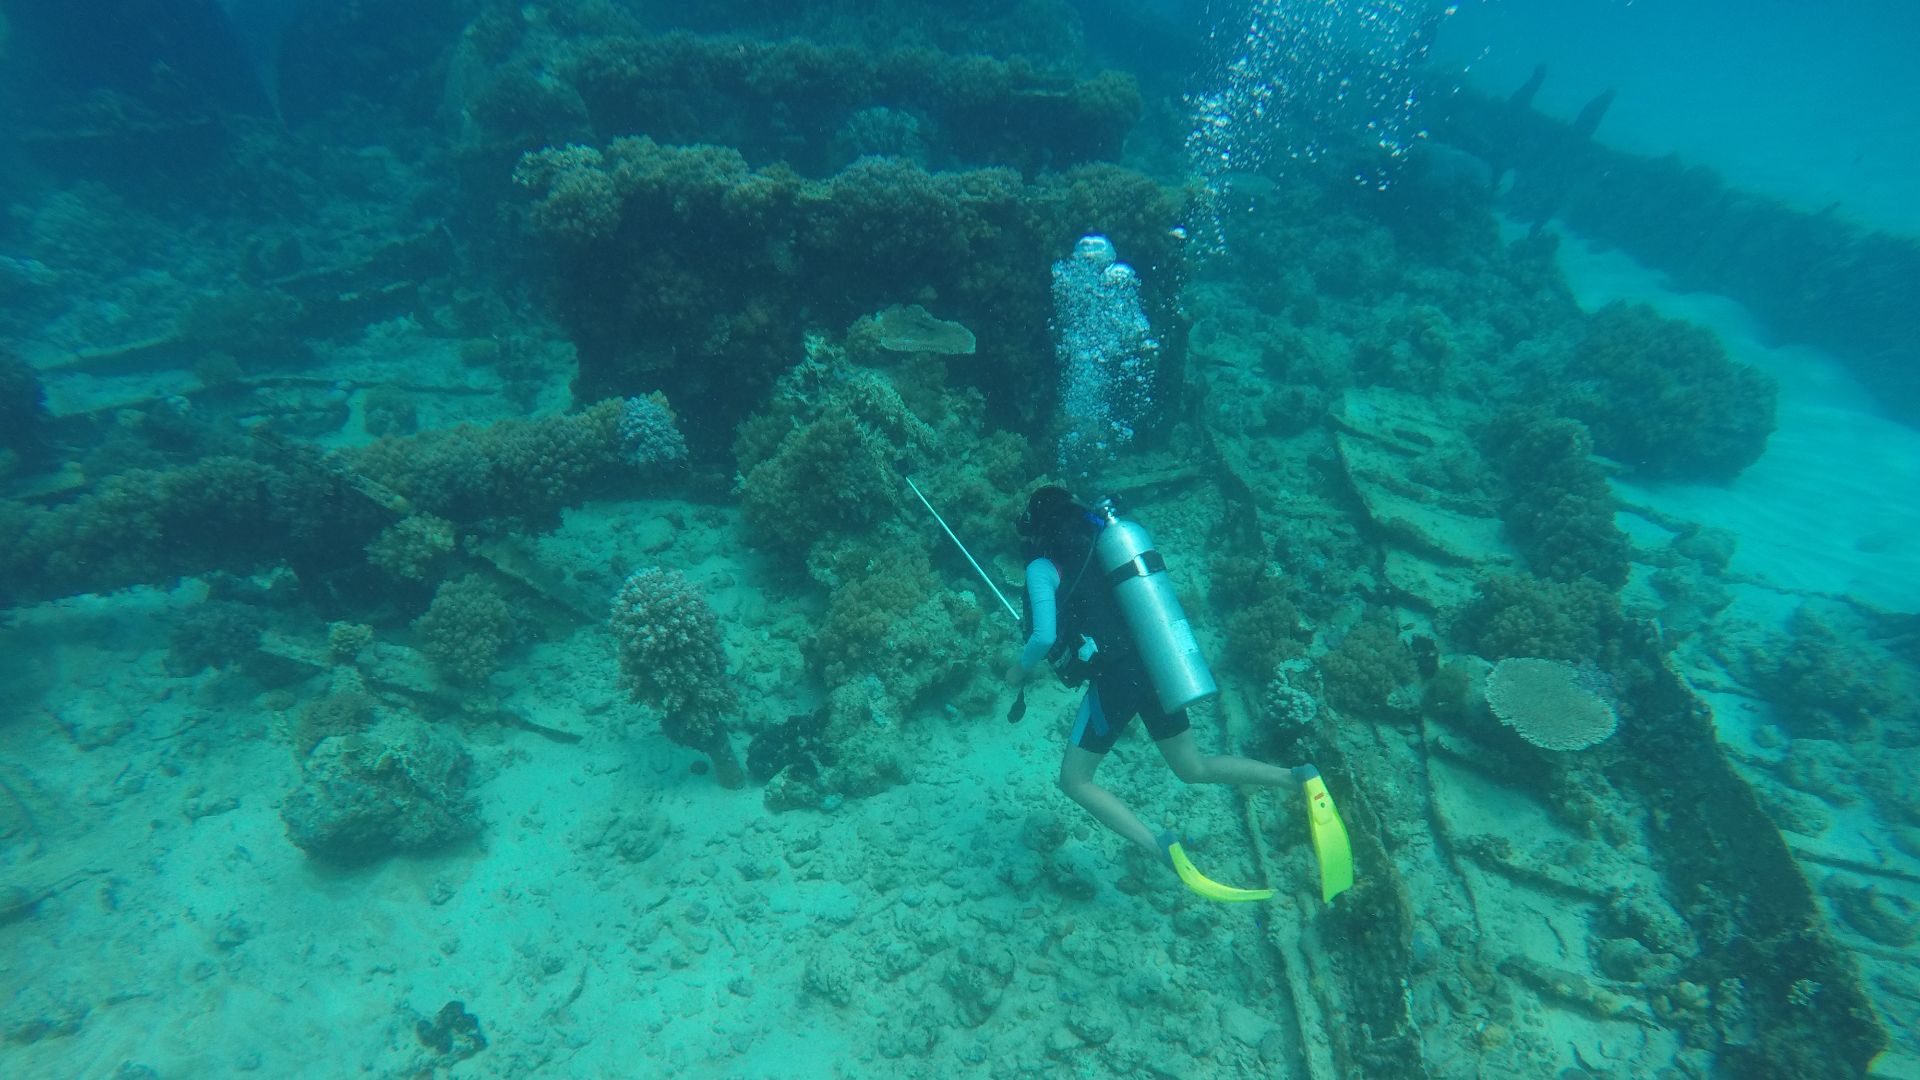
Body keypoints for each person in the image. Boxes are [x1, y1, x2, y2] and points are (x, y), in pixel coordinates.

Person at [1007, 486, 1301, 869]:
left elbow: (1043, 636)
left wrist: (1018, 670)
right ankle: (1296, 778)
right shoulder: (1104, 546)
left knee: (1075, 781)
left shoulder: (1042, 567)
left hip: (1117, 678)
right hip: (1158, 663)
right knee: (1192, 766)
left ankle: (1159, 847)